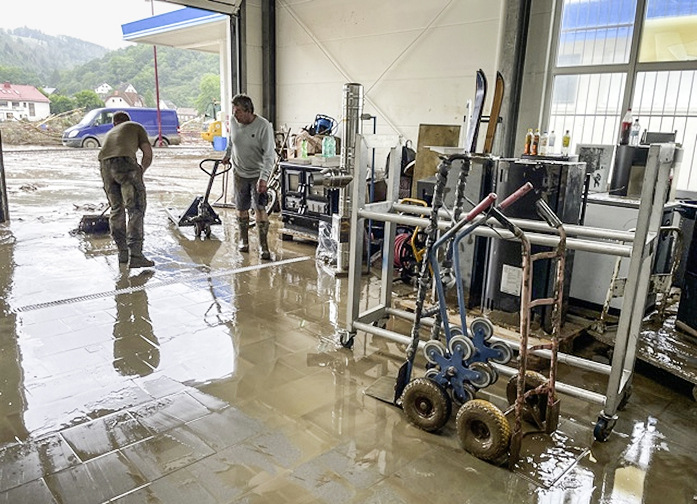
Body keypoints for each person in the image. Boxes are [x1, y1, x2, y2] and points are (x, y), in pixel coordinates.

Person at [222, 94, 276, 260]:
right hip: (239, 172)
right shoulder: (233, 121)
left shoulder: (263, 126)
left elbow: (269, 156)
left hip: (257, 173)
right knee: (241, 206)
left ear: (248, 111)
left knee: (260, 207)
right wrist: (227, 154)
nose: (235, 114)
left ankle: (263, 246)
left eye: (238, 111)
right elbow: (231, 141)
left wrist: (264, 178)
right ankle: (243, 240)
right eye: (234, 111)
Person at [98, 111, 154, 268]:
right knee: (136, 208)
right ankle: (135, 255)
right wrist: (140, 171)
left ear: (114, 123)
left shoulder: (110, 132)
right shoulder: (136, 127)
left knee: (117, 208)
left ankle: (122, 253)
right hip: (124, 163)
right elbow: (147, 154)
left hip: (104, 165)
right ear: (128, 120)